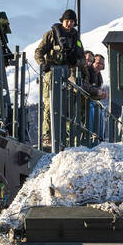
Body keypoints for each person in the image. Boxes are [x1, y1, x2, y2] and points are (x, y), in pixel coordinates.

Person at [35, 8, 86, 146]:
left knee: (68, 105)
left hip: (67, 73)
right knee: (48, 105)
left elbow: (83, 58)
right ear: (62, 21)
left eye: (71, 21)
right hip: (51, 72)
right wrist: (43, 64)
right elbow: (38, 52)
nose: (69, 24)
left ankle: (69, 136)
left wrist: (75, 61)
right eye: (67, 21)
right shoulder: (51, 35)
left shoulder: (76, 39)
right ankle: (47, 136)